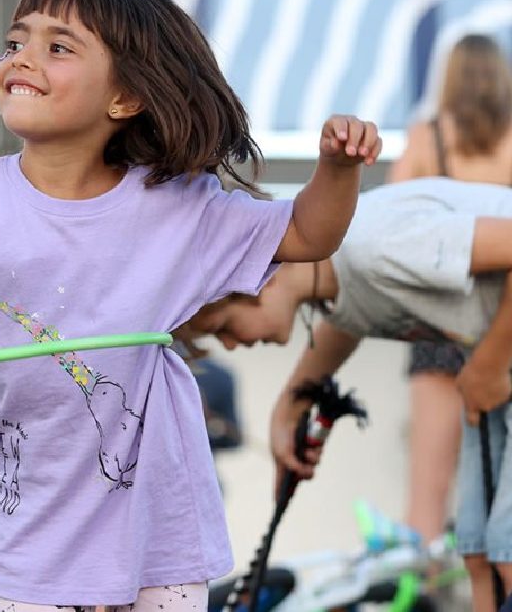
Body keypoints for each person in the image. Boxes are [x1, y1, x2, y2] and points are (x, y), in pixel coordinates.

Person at [0, 0, 380, 610]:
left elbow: (307, 232)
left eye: (58, 46)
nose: (22, 59)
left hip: (160, 532)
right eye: (15, 42)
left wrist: (337, 168)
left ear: (123, 98)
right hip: (35, 536)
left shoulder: (172, 206)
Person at [185, 177, 512, 612]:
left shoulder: (378, 243)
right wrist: (293, 403)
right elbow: (350, 317)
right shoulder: (341, 275)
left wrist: (489, 363)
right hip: (495, 370)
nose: (229, 344)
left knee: (508, 553)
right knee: (480, 554)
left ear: (256, 278)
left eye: (223, 328)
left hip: (495, 364)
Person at [389, 34, 512, 543]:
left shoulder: (426, 138)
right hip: (503, 324)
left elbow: (392, 221)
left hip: (439, 321)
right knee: (503, 492)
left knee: (427, 495)